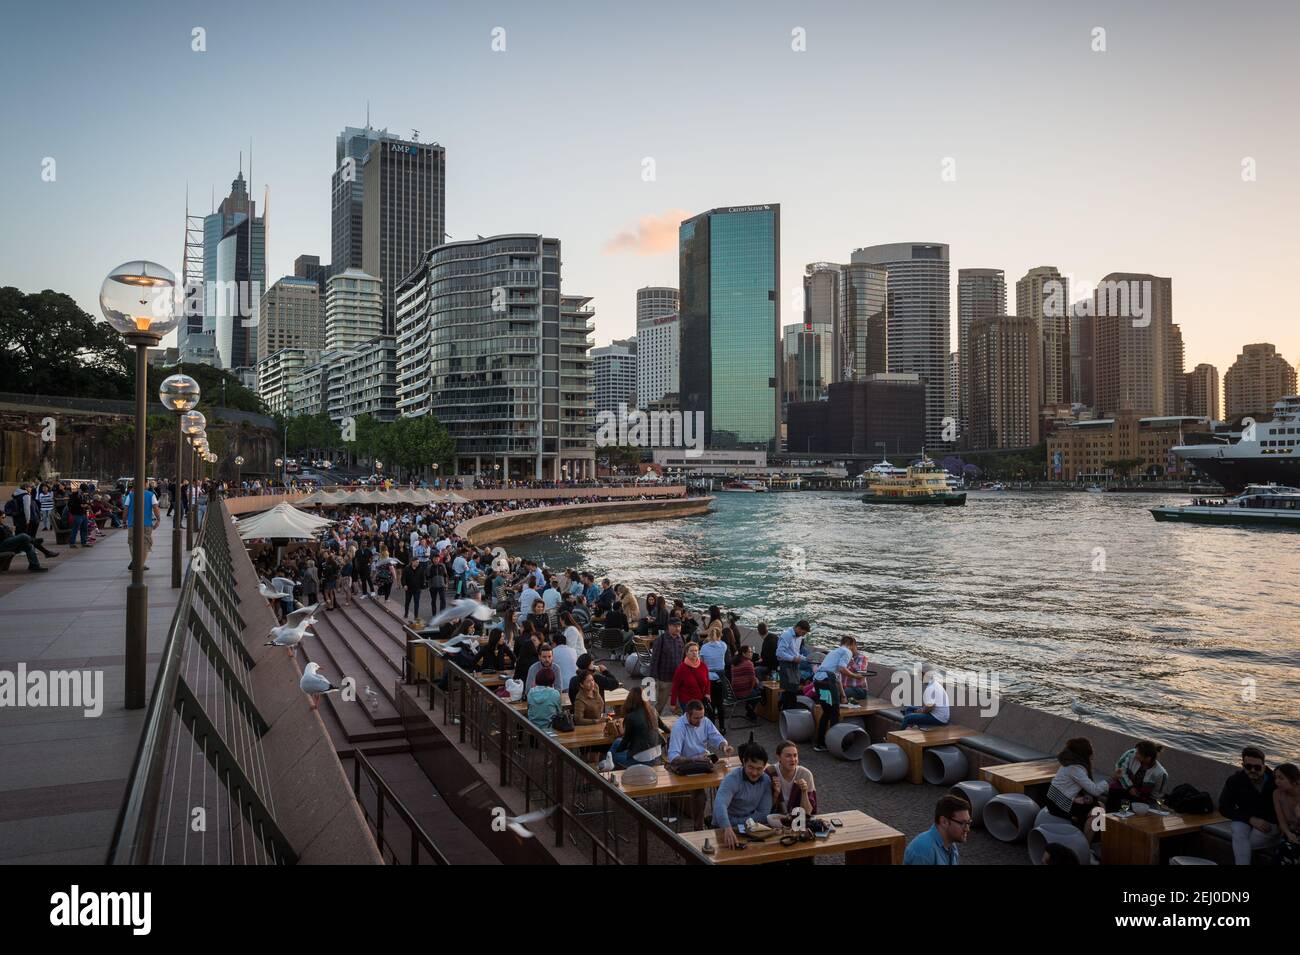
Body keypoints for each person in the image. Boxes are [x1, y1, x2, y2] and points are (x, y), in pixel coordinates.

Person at [1218, 745, 1279, 865]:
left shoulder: (1274, 781)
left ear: (1264, 766)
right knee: (1238, 830)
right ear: (1243, 766)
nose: (1252, 770)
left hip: (1270, 823)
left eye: (1257, 767)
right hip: (1246, 819)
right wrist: (1251, 819)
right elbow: (1224, 808)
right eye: (1248, 766)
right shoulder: (1235, 780)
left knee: (1242, 844)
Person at [1045, 737, 1109, 842]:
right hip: (1058, 804)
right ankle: (1085, 846)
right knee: (1099, 811)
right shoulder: (1075, 768)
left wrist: (1075, 798)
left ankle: (1097, 838)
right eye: (1091, 748)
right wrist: (1111, 780)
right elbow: (1095, 790)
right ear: (1084, 753)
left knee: (1100, 805)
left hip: (1057, 799)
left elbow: (1068, 787)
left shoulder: (1070, 763)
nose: (1093, 750)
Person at [713, 741, 774, 848]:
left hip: (748, 828)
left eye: (759, 769)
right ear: (744, 762)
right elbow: (720, 804)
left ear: (764, 766)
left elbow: (764, 814)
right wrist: (728, 826)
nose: (754, 773)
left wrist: (736, 823)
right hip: (724, 827)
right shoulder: (732, 778)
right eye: (751, 767)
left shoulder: (766, 780)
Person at [811, 635, 861, 752]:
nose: (855, 649)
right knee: (834, 712)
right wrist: (855, 676)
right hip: (827, 681)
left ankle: (820, 743)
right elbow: (842, 668)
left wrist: (843, 695)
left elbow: (837, 676)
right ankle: (834, 744)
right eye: (855, 646)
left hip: (818, 681)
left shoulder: (834, 652)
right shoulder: (847, 651)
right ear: (852, 644)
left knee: (827, 712)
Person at [610, 685, 669, 768]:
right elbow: (663, 726)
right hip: (657, 755)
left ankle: (608, 763)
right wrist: (670, 732)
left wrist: (616, 752)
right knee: (616, 742)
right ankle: (608, 761)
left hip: (642, 759)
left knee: (613, 756)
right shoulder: (652, 710)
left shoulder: (630, 717)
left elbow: (626, 741)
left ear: (630, 699)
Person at [904, 794, 972, 865]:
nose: (967, 829)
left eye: (968, 822)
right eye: (962, 823)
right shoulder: (923, 851)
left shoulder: (950, 844)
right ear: (944, 822)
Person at [667, 700, 733, 768]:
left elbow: (717, 737)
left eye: (701, 717)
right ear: (687, 715)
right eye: (696, 718)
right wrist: (695, 759)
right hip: (687, 765)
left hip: (705, 760)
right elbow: (673, 757)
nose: (700, 722)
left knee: (725, 770)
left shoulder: (705, 721)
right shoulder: (679, 727)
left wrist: (724, 747)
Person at [1106, 740, 1169, 811]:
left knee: (1131, 807)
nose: (1135, 754)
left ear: (1148, 758)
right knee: (1114, 792)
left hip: (1140, 798)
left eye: (1138, 753)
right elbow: (1120, 770)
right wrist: (1130, 787)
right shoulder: (1130, 754)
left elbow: (1156, 796)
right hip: (1123, 787)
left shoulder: (1161, 774)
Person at [767, 740, 817, 817]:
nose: (793, 759)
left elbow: (808, 813)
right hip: (775, 820)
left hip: (797, 821)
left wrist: (804, 791)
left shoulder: (805, 774)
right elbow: (764, 809)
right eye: (788, 756)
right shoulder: (770, 773)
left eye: (795, 755)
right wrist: (776, 794)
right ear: (778, 757)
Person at [648, 617, 686, 716]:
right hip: (664, 678)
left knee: (679, 706)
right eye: (675, 626)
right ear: (669, 626)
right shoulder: (661, 640)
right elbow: (654, 659)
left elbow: (683, 658)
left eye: (679, 626)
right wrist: (653, 678)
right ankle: (653, 724)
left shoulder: (681, 638)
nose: (677, 628)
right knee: (660, 704)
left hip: (678, 678)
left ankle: (678, 727)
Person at [698, 626, 731, 733]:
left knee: (710, 704)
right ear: (720, 636)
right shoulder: (723, 646)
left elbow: (701, 663)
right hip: (720, 677)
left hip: (708, 678)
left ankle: (711, 728)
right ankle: (722, 727)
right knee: (720, 704)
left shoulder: (704, 647)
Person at [899, 663, 950, 730]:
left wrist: (920, 711)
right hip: (938, 715)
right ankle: (911, 727)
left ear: (923, 674)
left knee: (907, 717)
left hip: (938, 719)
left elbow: (930, 707)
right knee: (909, 709)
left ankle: (900, 737)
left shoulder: (931, 688)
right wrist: (920, 710)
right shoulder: (934, 684)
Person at [123, 481, 160, 572]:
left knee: (132, 542)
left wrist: (124, 521)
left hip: (132, 523)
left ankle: (135, 562)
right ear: (145, 484)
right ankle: (140, 564)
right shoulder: (151, 495)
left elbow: (126, 508)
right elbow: (155, 507)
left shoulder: (130, 495)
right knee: (146, 543)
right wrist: (158, 519)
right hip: (146, 523)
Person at [776, 620, 811, 711]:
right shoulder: (787, 635)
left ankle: (785, 707)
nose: (803, 635)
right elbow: (779, 653)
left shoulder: (799, 637)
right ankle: (788, 710)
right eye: (803, 633)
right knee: (790, 689)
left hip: (794, 664)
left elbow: (795, 653)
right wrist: (793, 659)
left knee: (793, 688)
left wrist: (806, 658)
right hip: (786, 664)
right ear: (798, 628)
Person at [670, 641, 711, 716]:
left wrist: (707, 693)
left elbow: (708, 681)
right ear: (686, 653)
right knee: (690, 723)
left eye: (696, 650)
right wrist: (673, 703)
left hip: (700, 701)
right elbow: (675, 687)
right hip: (687, 702)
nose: (694, 653)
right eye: (691, 651)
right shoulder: (681, 669)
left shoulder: (703, 666)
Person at [1272, 763, 1300, 863]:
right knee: (1283, 848)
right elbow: (1281, 821)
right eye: (1276, 778)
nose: (1277, 781)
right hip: (1290, 833)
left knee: (1290, 850)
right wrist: (1288, 833)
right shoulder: (1277, 794)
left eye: (1281, 778)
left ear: (1293, 781)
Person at [730, 645, 760, 721]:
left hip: (734, 691)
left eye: (751, 652)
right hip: (743, 692)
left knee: (755, 689)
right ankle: (750, 710)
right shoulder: (748, 663)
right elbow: (753, 681)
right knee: (759, 692)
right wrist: (756, 683)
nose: (751, 653)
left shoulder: (735, 662)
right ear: (743, 653)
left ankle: (749, 708)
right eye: (749, 652)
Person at [403, 557, 427, 621]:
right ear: (412, 562)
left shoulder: (420, 569)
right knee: (407, 602)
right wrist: (404, 585)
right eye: (416, 562)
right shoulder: (406, 568)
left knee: (416, 602)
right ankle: (406, 613)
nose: (417, 563)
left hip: (417, 589)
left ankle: (416, 616)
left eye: (418, 562)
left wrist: (423, 585)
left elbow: (423, 578)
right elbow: (403, 578)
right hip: (409, 589)